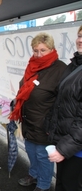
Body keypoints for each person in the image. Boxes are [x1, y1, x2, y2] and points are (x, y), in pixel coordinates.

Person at [9, 32, 67, 191]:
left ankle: (43, 184)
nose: (39, 54)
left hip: (46, 124)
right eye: (35, 50)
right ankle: (33, 174)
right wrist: (17, 102)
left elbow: (64, 102)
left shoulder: (61, 69)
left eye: (43, 50)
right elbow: (24, 88)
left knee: (43, 157)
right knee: (31, 151)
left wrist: (53, 124)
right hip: (29, 120)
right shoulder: (32, 65)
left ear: (52, 49)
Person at [45, 25, 82, 191]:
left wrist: (64, 149)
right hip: (66, 142)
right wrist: (50, 127)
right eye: (80, 35)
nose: (80, 40)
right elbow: (62, 102)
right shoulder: (73, 65)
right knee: (61, 184)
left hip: (77, 149)